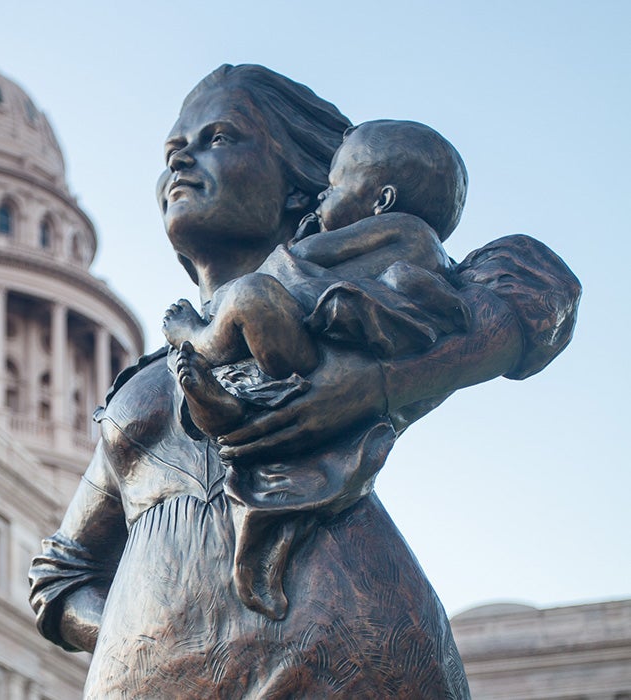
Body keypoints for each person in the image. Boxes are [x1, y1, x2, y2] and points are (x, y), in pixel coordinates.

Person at [29, 64, 579, 698]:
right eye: (173, 150)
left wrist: (378, 386)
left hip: (354, 662)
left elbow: (536, 288)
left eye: (219, 137)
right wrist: (147, 631)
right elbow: (61, 575)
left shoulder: (347, 311)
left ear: (302, 186)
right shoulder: (138, 391)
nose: (181, 161)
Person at [162, 119, 469, 437]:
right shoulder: (428, 252)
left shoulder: (403, 231)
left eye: (334, 188)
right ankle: (225, 407)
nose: (321, 196)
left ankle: (194, 337)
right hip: (305, 347)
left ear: (382, 202)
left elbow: (303, 255)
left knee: (248, 295)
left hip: (302, 331)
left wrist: (306, 232)